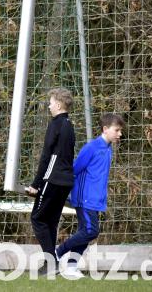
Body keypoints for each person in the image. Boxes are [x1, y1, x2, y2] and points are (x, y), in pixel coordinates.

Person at [55, 113, 124, 279]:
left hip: (96, 199)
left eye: (120, 130)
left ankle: (71, 267)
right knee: (91, 230)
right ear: (105, 129)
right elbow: (74, 170)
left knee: (84, 231)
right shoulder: (91, 148)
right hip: (84, 198)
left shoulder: (107, 149)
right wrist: (62, 191)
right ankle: (58, 252)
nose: (120, 134)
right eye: (117, 130)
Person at [25, 87, 76, 275]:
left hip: (52, 179)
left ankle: (51, 261)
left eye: (51, 102)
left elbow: (47, 156)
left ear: (59, 104)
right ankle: (51, 264)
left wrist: (36, 184)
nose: (49, 106)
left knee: (37, 218)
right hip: (66, 181)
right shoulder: (70, 125)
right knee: (51, 221)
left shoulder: (55, 124)